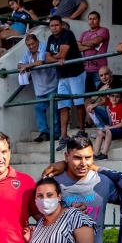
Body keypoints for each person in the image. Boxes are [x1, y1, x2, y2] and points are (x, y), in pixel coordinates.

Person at [46, 16, 87, 150]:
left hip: (76, 74)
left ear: (62, 25)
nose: (54, 28)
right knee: (63, 106)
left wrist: (55, 58)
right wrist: (55, 59)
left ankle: (82, 129)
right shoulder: (50, 38)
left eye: (56, 25)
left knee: (79, 103)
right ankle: (64, 136)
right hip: (62, 76)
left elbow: (62, 54)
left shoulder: (68, 34)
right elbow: (46, 58)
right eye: (52, 26)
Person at [18, 33, 61, 143]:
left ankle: (56, 133)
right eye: (28, 45)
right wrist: (23, 66)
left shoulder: (43, 47)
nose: (31, 46)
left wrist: (26, 66)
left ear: (37, 41)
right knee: (38, 108)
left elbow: (40, 61)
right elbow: (19, 63)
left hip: (51, 83)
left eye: (33, 43)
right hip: (39, 87)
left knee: (54, 110)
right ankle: (44, 132)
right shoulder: (28, 52)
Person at [92, 92, 122, 159]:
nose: (114, 98)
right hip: (116, 128)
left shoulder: (121, 107)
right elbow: (101, 94)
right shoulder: (110, 104)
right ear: (109, 97)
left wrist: (110, 127)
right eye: (112, 96)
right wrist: (103, 89)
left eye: (117, 96)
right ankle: (96, 154)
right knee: (100, 132)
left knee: (108, 131)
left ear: (121, 98)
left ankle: (104, 154)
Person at [78, 11, 110, 89]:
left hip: (99, 70)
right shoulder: (84, 33)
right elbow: (77, 47)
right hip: (85, 70)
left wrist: (83, 43)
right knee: (88, 96)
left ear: (99, 20)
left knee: (100, 94)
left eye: (94, 19)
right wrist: (91, 46)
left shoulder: (104, 30)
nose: (91, 21)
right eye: (90, 19)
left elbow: (96, 41)